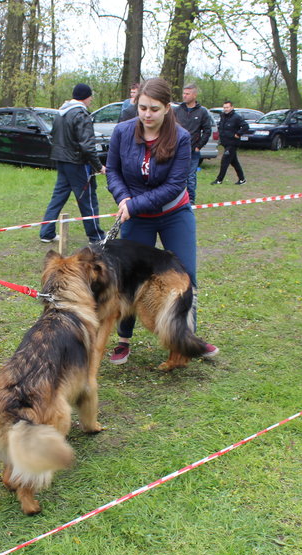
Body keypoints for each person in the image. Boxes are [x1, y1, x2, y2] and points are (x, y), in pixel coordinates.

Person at [105, 77, 218, 365]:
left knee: (186, 277)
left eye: (154, 109)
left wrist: (135, 203)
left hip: (174, 214)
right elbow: (113, 172)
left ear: (167, 108)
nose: (146, 114)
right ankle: (123, 340)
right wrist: (122, 198)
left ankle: (185, 341)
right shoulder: (121, 132)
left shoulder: (180, 137)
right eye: (142, 107)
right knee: (130, 278)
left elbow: (174, 185)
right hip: (135, 216)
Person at [39, 83, 106, 244]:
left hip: (62, 161)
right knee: (88, 198)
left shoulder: (61, 113)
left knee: (58, 196)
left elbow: (53, 135)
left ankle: (46, 232)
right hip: (77, 163)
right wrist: (99, 166)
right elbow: (87, 146)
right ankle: (96, 236)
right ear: (86, 97)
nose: (91, 100)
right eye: (90, 97)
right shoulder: (81, 114)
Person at [173, 83, 212, 202]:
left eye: (187, 94)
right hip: (177, 149)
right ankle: (176, 200)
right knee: (176, 175)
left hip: (193, 151)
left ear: (194, 95)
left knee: (190, 177)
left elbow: (207, 131)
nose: (184, 96)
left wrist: (199, 146)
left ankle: (190, 201)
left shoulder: (202, 112)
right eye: (184, 93)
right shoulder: (177, 110)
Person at [211, 100, 247, 185]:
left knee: (225, 161)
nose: (226, 109)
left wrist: (238, 134)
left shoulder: (236, 117)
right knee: (234, 162)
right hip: (225, 142)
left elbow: (245, 126)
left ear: (231, 107)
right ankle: (242, 179)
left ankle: (219, 180)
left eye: (227, 107)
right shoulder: (223, 116)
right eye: (224, 108)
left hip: (232, 143)